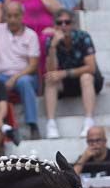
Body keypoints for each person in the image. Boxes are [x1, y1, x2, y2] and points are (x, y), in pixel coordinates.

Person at [0, 2, 41, 140]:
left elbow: (33, 65)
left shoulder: (31, 35)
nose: (13, 19)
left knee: (25, 82)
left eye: (16, 15)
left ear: (22, 16)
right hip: (0, 75)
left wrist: (15, 77)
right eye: (9, 16)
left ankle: (32, 125)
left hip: (24, 74)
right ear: (5, 17)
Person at [44, 8, 103, 139]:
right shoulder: (51, 41)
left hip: (89, 81)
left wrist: (65, 73)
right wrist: (53, 47)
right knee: (50, 79)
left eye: (67, 22)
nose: (64, 26)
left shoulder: (83, 37)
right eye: (60, 23)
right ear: (55, 26)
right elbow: (51, 70)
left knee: (86, 77)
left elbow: (91, 67)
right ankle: (51, 123)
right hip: (67, 83)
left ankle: (88, 120)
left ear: (73, 24)